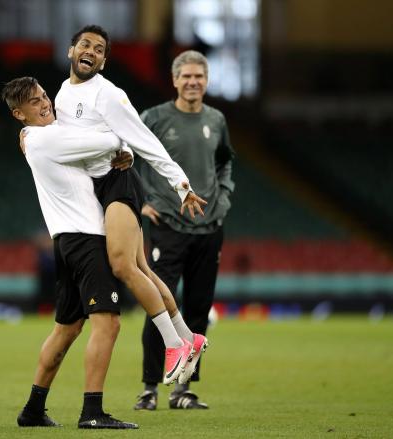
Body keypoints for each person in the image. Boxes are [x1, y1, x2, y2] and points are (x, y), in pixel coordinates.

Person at [55, 25, 209, 387]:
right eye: (85, 44)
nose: (91, 50)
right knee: (141, 269)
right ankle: (190, 338)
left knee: (123, 266)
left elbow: (145, 138)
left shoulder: (108, 94)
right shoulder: (62, 94)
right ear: (71, 51)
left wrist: (180, 184)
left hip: (118, 184)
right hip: (92, 189)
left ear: (104, 61)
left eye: (99, 48)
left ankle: (174, 346)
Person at [2, 76, 137, 429]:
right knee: (108, 323)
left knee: (66, 329)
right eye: (34, 102)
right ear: (19, 114)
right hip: (86, 238)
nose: (45, 103)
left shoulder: (35, 138)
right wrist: (122, 142)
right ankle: (92, 412)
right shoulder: (50, 137)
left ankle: (32, 410)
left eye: (44, 95)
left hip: (67, 241)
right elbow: (108, 139)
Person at [134, 50, 235, 410]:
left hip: (209, 227)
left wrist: (223, 198)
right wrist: (141, 201)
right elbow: (125, 155)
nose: (193, 82)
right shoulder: (155, 118)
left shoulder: (217, 119)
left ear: (206, 81)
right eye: (186, 76)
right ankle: (149, 389)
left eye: (199, 77)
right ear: (175, 80)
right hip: (168, 225)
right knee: (159, 304)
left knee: (198, 308)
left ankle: (183, 390)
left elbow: (224, 164)